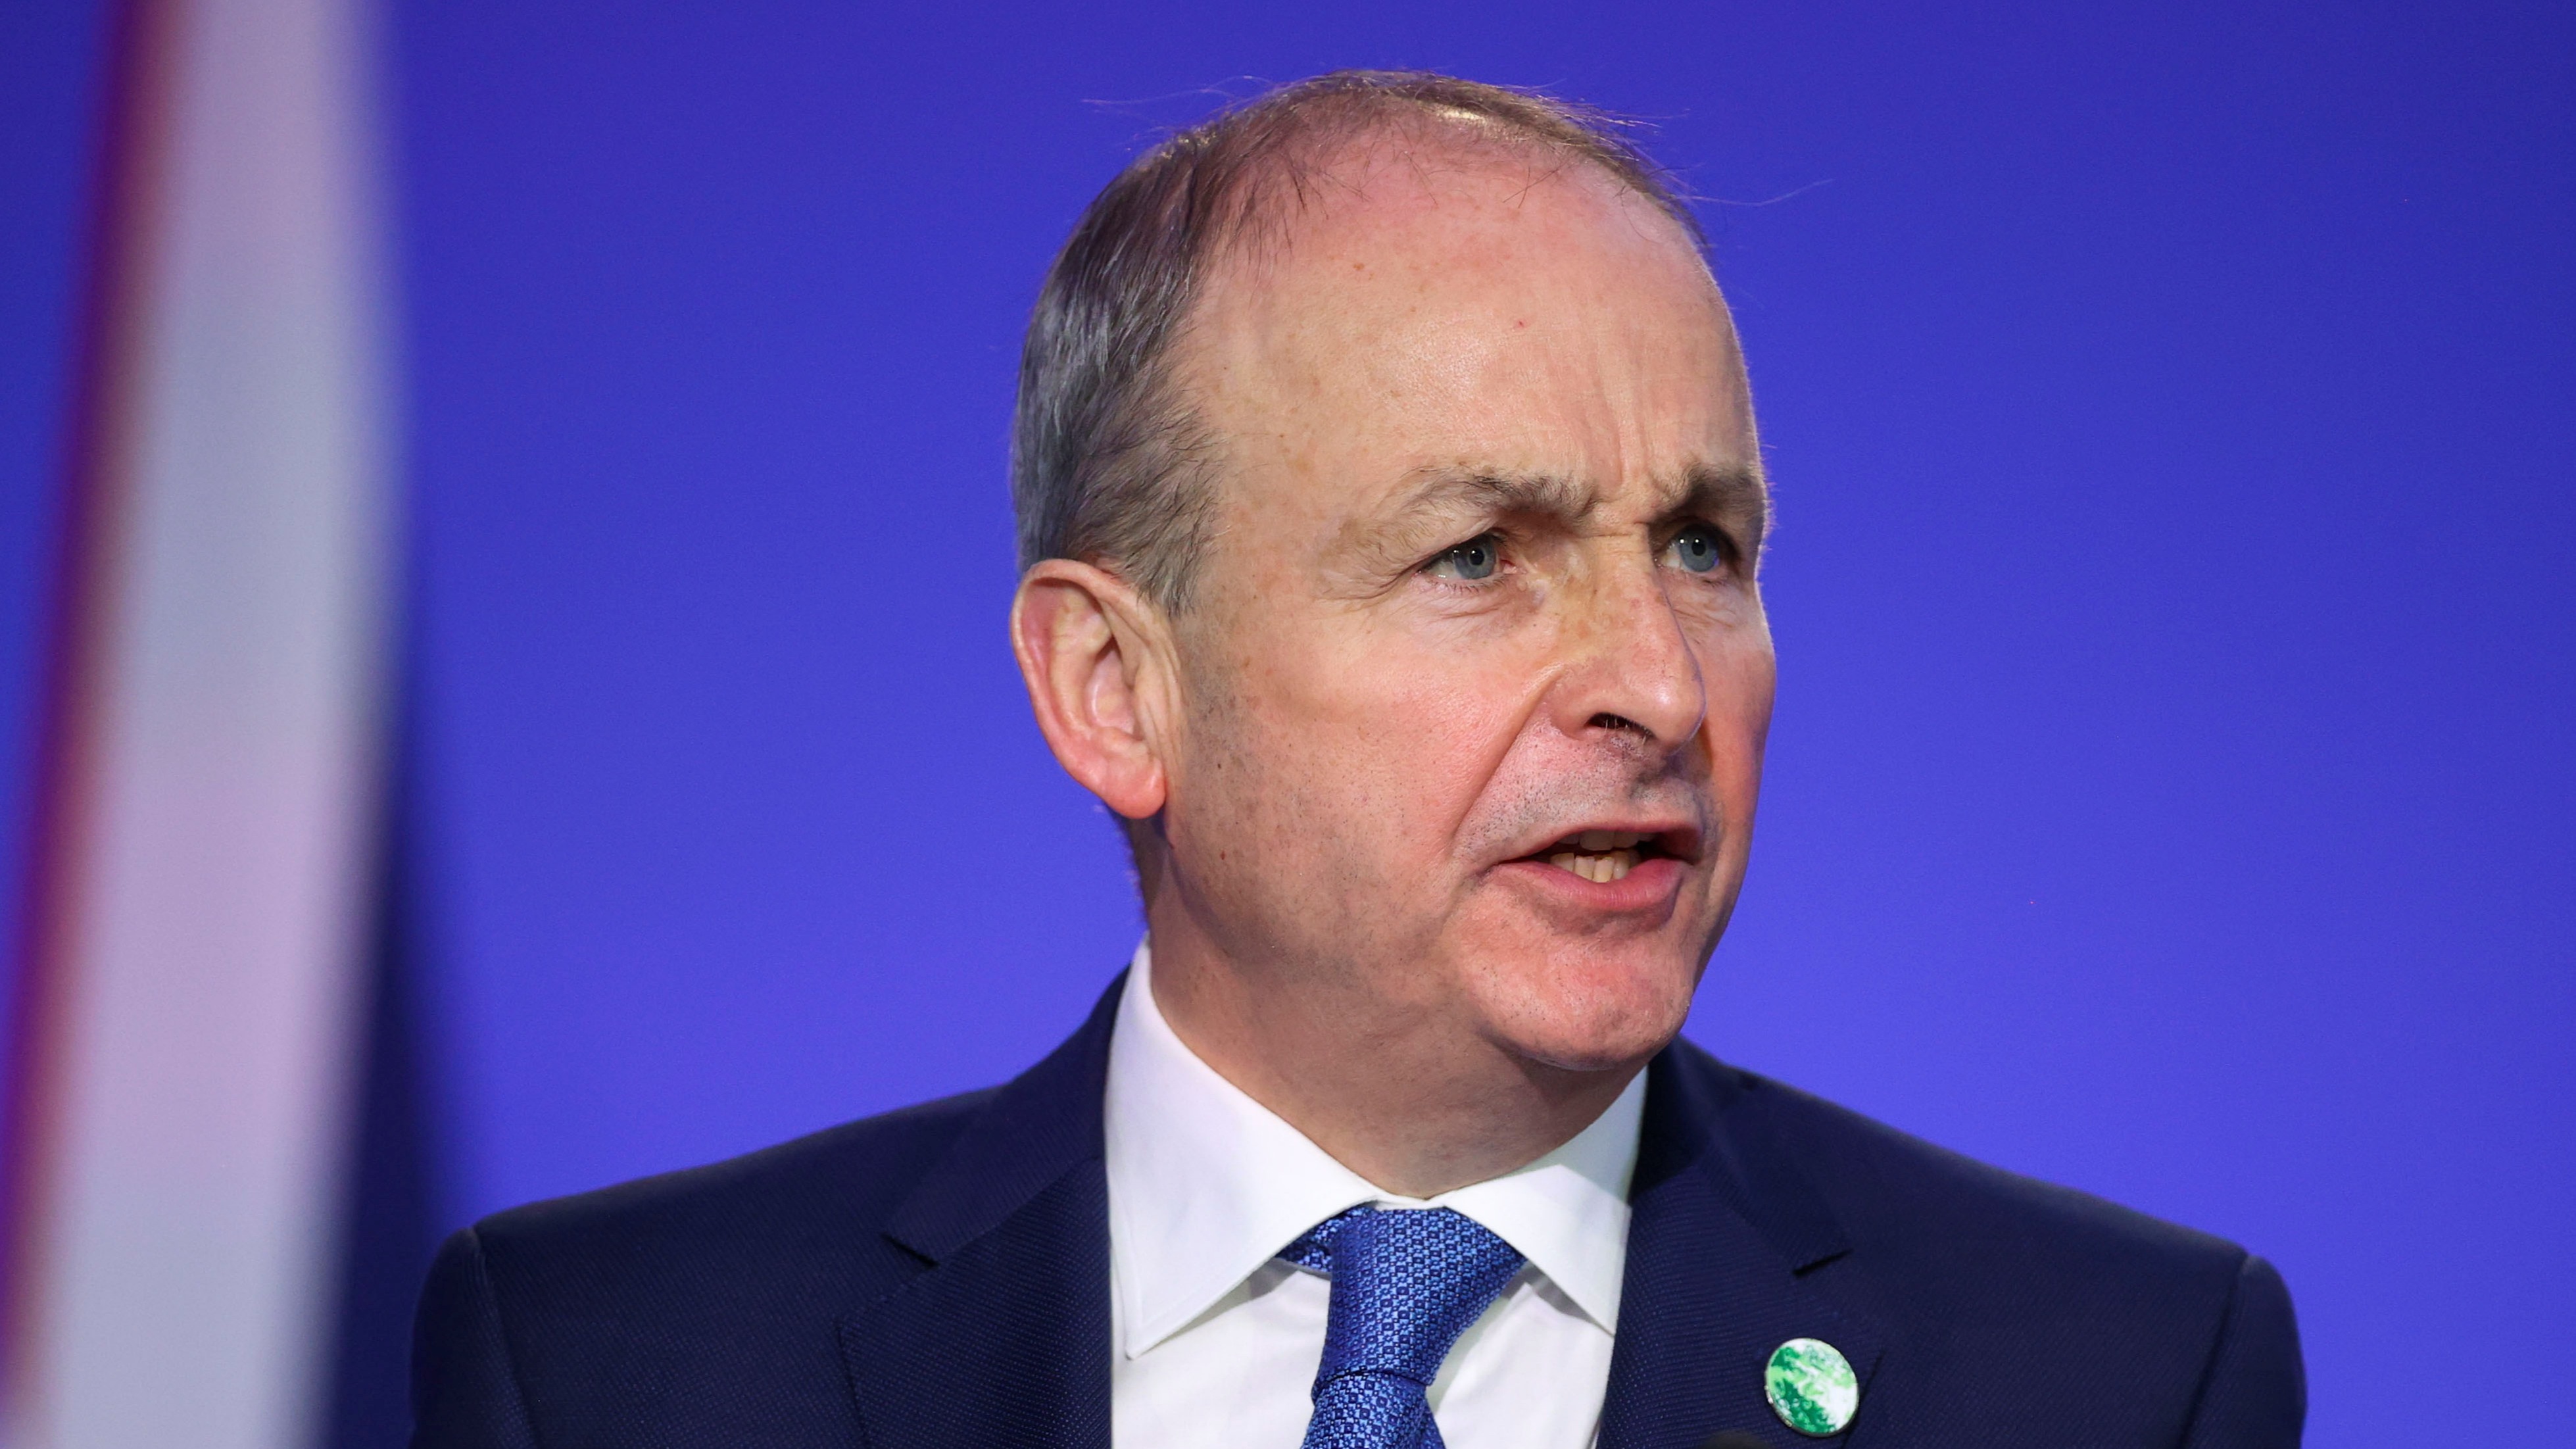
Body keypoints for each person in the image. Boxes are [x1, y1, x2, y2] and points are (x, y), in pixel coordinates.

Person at [409, 71, 2304, 1449]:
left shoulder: (2114, 1378)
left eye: (1702, 547)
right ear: (1114, 689)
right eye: (1478, 554)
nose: (1658, 684)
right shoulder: (614, 1366)